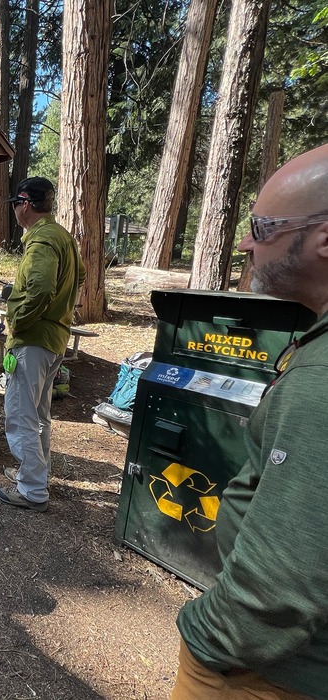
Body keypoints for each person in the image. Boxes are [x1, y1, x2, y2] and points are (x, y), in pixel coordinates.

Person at [170, 143, 328, 700]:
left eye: (262, 228)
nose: (244, 243)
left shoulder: (320, 381)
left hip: (262, 671)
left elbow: (285, 582)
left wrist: (205, 642)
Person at [0, 177, 84, 513]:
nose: (15, 211)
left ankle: (31, 489)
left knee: (21, 415)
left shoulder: (42, 239)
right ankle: (34, 476)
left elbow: (43, 287)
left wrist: (19, 320)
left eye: (16, 205)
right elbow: (79, 276)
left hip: (33, 340)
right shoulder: (62, 236)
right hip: (54, 339)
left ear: (26, 205)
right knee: (39, 414)